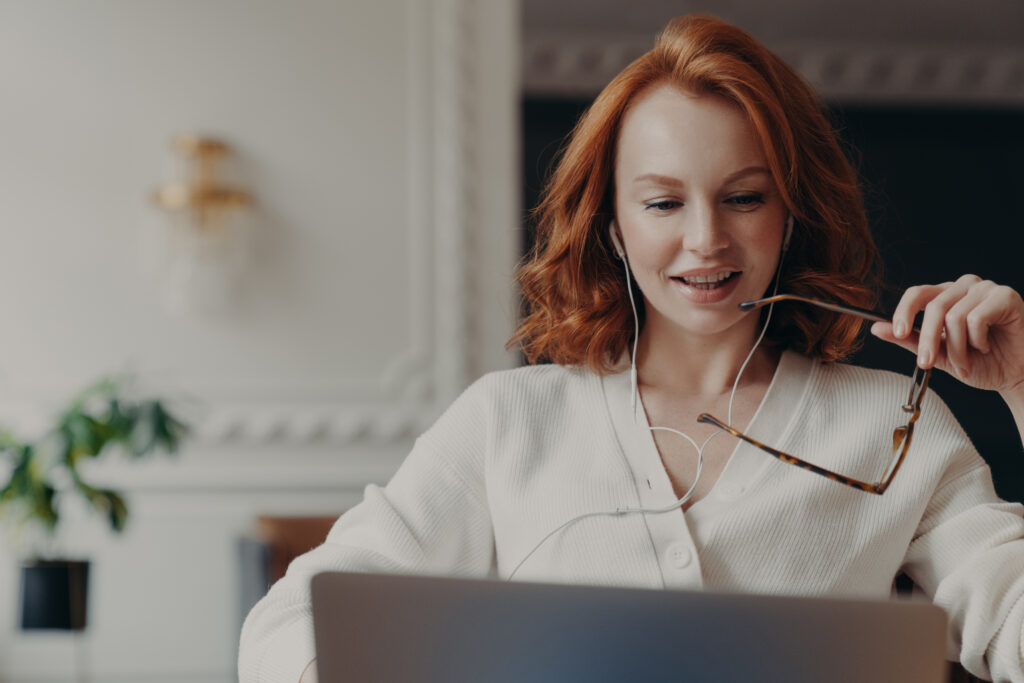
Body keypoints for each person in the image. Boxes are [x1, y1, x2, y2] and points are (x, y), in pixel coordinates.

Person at [239, 14, 1024, 682]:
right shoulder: (508, 422)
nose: (706, 238)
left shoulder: (895, 426)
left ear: (790, 214)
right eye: (662, 201)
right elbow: (283, 629)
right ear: (613, 223)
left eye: (744, 198)